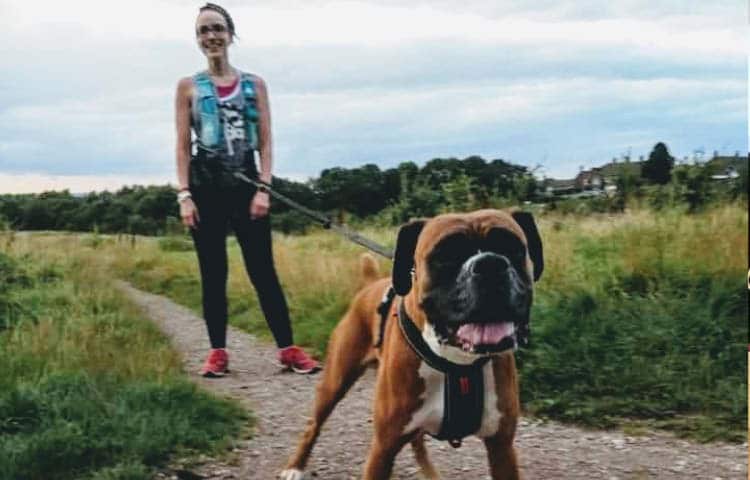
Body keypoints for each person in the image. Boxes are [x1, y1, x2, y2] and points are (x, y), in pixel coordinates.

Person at [174, 3, 319, 376]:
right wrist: (185, 195)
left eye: (217, 29)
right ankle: (218, 353)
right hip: (206, 190)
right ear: (197, 39)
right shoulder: (189, 87)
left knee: (263, 271)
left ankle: (287, 349)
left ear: (230, 34)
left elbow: (267, 142)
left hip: (247, 186)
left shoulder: (254, 85)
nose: (211, 37)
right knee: (213, 272)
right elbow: (181, 146)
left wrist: (264, 188)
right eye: (204, 31)